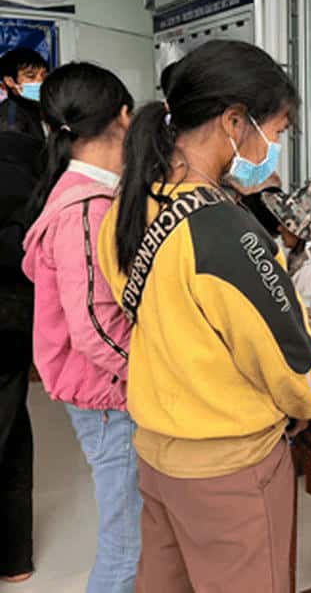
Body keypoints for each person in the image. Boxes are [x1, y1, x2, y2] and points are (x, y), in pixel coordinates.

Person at [97, 40, 311, 593]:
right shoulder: (225, 231)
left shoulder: (135, 203)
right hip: (230, 470)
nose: (274, 146)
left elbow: (151, 315)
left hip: (159, 452)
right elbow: (289, 357)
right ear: (234, 120)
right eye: (275, 131)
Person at [21, 63, 139, 592]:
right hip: (107, 397)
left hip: (103, 391)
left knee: (133, 532)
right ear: (122, 116)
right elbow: (95, 326)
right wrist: (157, 370)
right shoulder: (84, 211)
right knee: (126, 544)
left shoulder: (89, 195)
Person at [0, 47, 49, 583]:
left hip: (13, 306)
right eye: (30, 77)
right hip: (12, 300)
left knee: (13, 429)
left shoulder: (29, 128)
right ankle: (14, 556)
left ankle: (15, 555)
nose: (38, 83)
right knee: (12, 429)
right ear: (10, 82)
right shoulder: (15, 135)